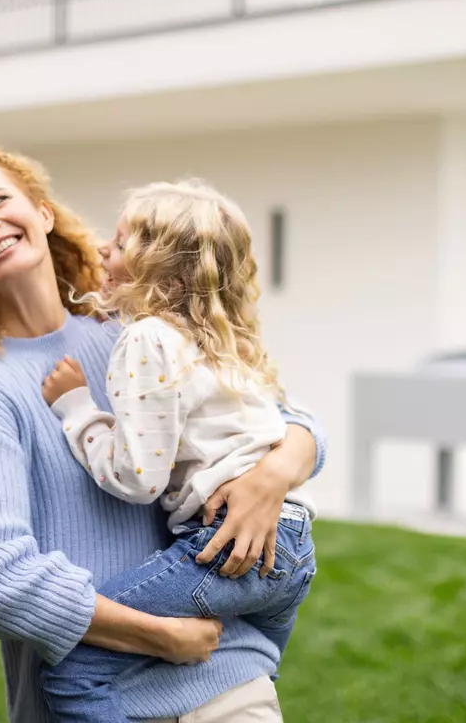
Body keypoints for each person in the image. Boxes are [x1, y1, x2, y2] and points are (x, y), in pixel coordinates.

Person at [0, 137, 327, 723]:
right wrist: (160, 636)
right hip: (106, 697)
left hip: (227, 687)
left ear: (43, 213)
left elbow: (295, 421)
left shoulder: (134, 329)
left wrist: (269, 479)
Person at [37, 179, 317, 722]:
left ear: (158, 270)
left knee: (72, 667)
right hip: (295, 545)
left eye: (119, 245)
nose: (102, 251)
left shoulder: (145, 339)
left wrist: (76, 410)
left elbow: (139, 477)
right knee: (254, 661)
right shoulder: (223, 339)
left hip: (229, 549)